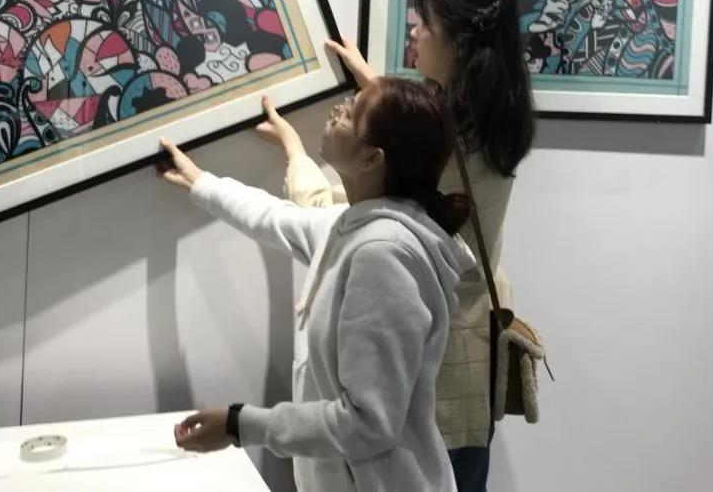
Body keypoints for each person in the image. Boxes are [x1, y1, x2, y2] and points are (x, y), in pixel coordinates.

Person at [257, 0, 536, 492]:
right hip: (473, 361)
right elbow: (432, 124)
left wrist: (295, 151)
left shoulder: (438, 156)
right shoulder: (493, 120)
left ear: (458, 45)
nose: (415, 32)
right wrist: (378, 88)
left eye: (426, 24)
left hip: (433, 377)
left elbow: (335, 214)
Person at [160, 78, 476, 491]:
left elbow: (369, 422)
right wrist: (201, 183)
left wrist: (240, 425)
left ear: (372, 158)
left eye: (353, 112)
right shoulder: (351, 224)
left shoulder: (383, 255)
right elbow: (274, 217)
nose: (338, 110)